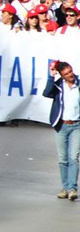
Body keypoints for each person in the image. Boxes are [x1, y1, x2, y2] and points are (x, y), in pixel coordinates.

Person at [43, 61, 80, 201]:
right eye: (66, 74)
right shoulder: (59, 85)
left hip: (77, 125)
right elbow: (46, 93)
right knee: (63, 159)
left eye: (70, 71)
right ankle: (64, 188)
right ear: (62, 76)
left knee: (73, 157)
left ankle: (72, 189)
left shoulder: (79, 84)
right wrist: (51, 76)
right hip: (62, 126)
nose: (70, 75)